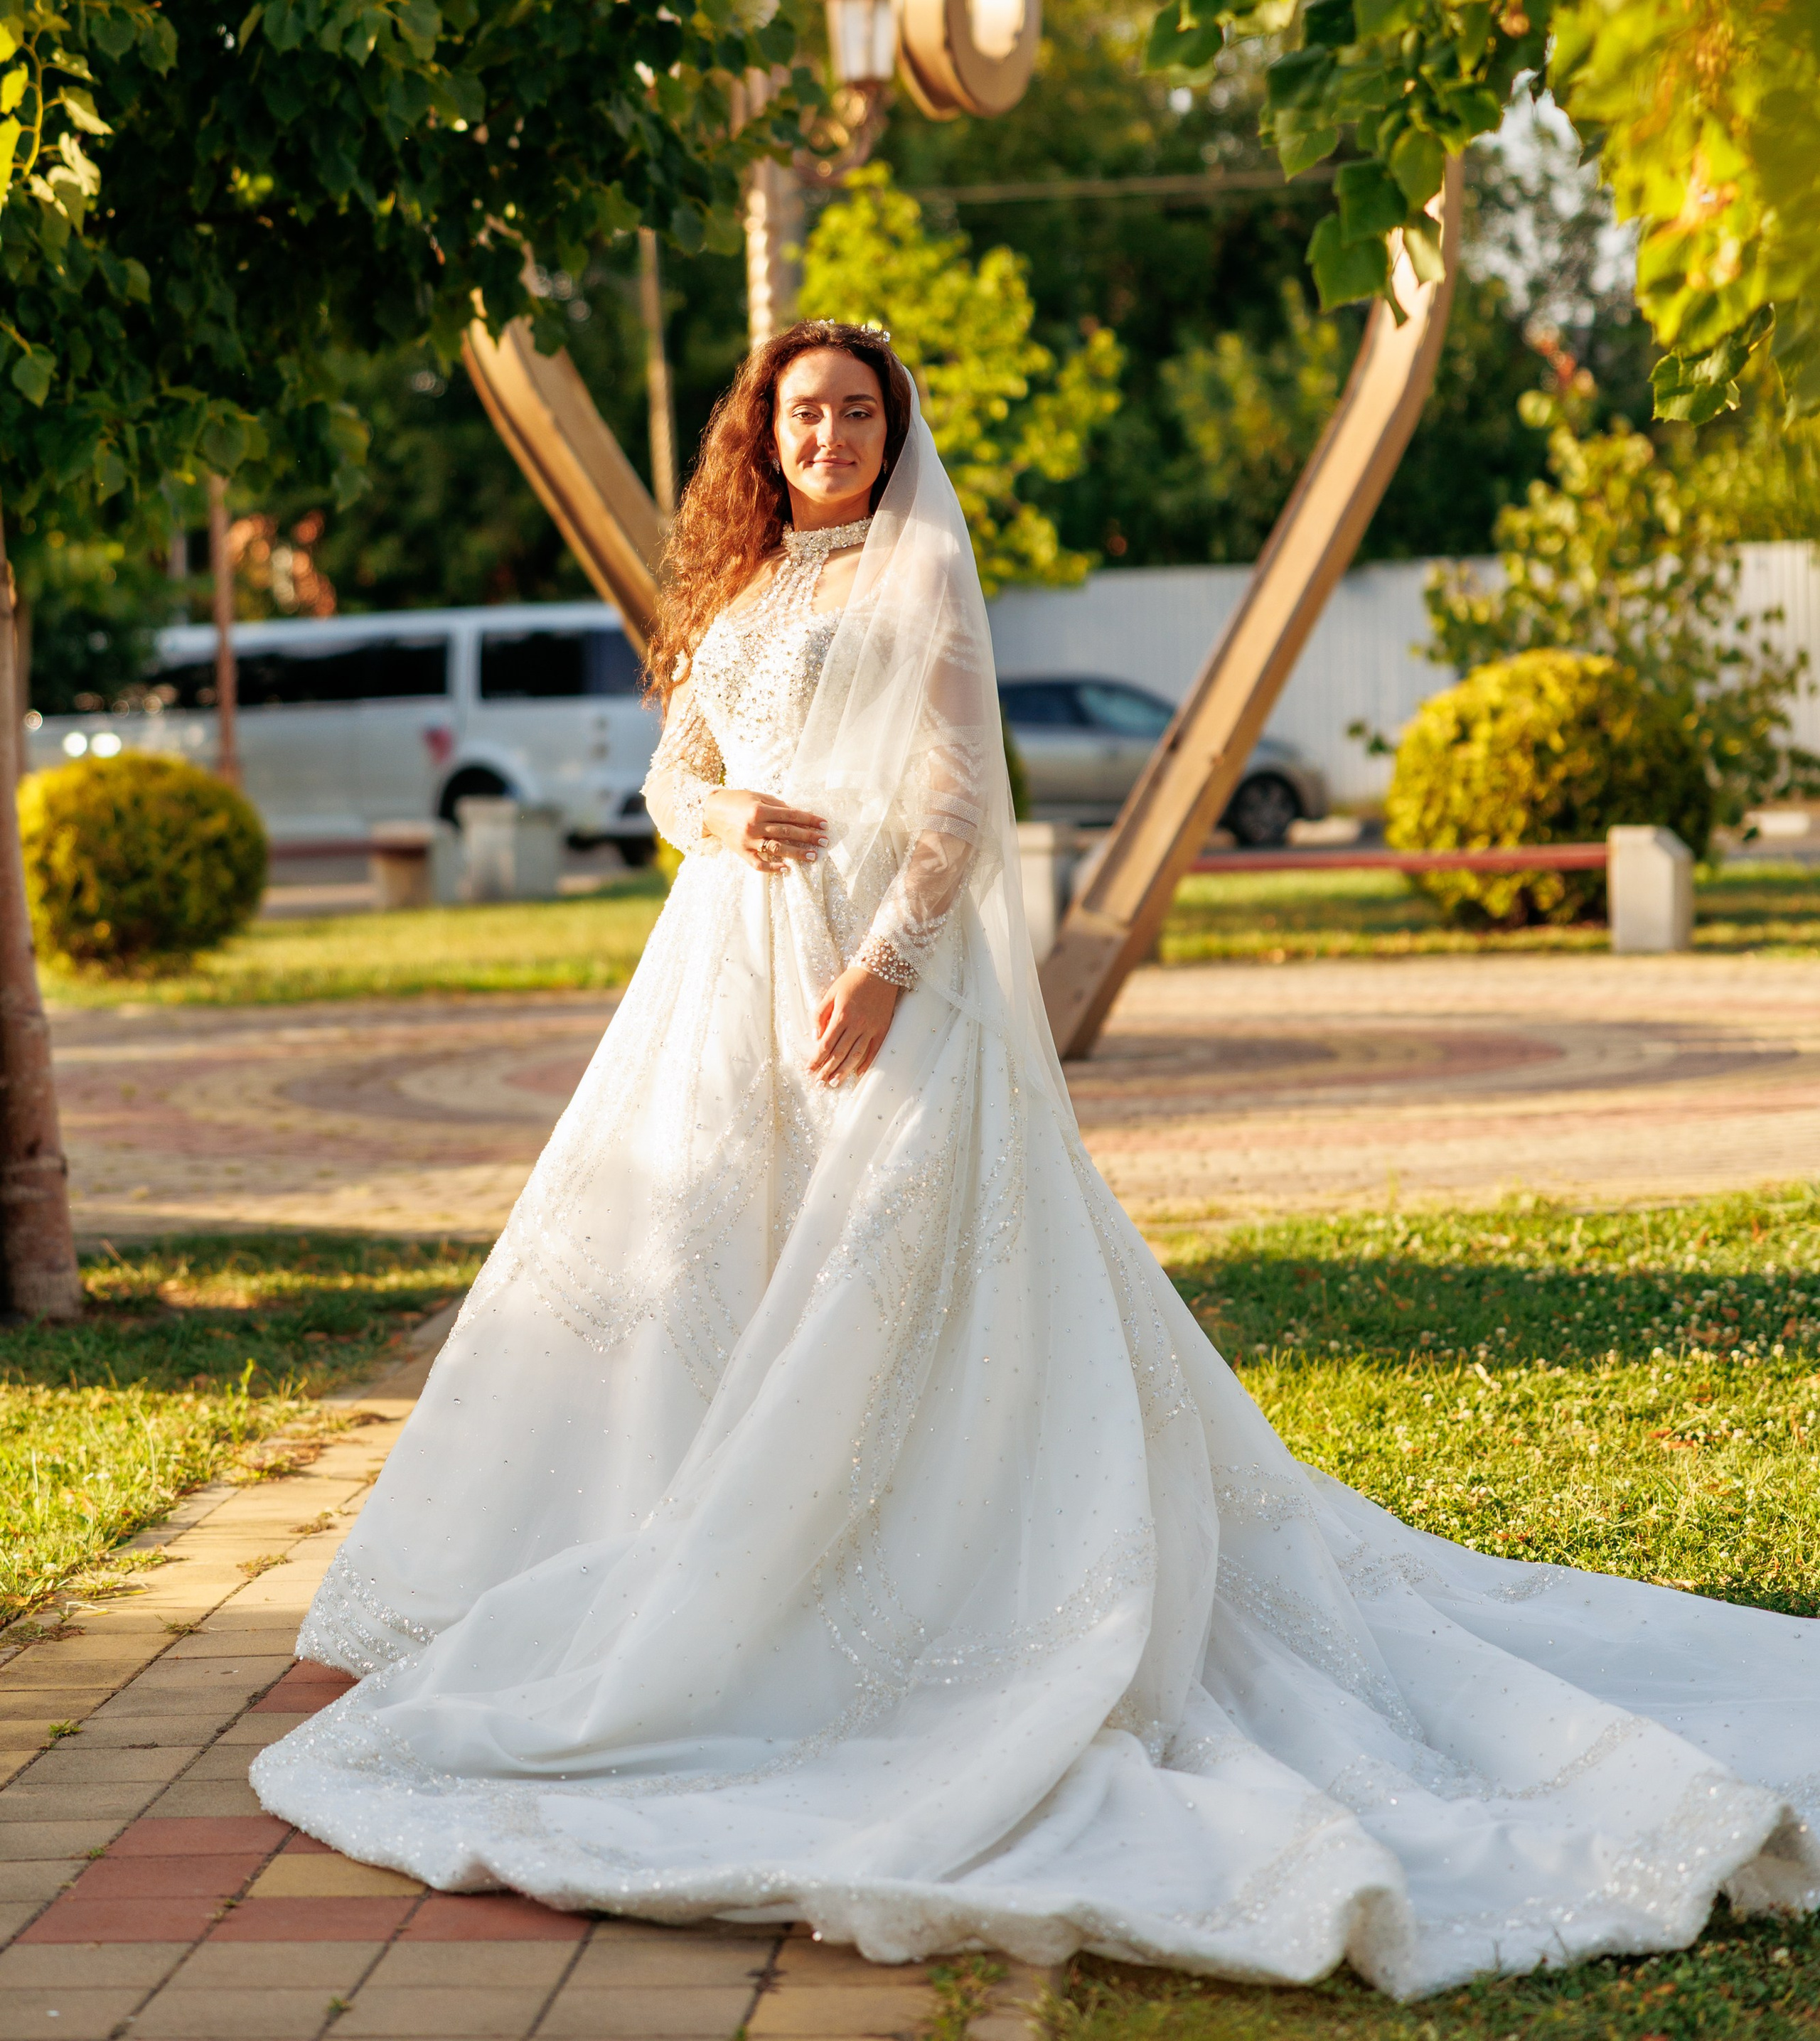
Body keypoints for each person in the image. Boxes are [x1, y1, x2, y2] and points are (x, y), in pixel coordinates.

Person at [254, 321, 1820, 1998]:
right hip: (722, 968)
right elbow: (672, 766)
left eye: (857, 412)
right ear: (761, 433)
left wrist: (881, 971)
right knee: (694, 1260)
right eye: (802, 413)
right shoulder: (738, 582)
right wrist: (712, 820)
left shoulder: (917, 574)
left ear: (891, 430)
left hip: (870, 973)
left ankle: (860, 1587)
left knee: (874, 1282)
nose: (829, 436)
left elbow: (954, 808)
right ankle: (660, 1556)